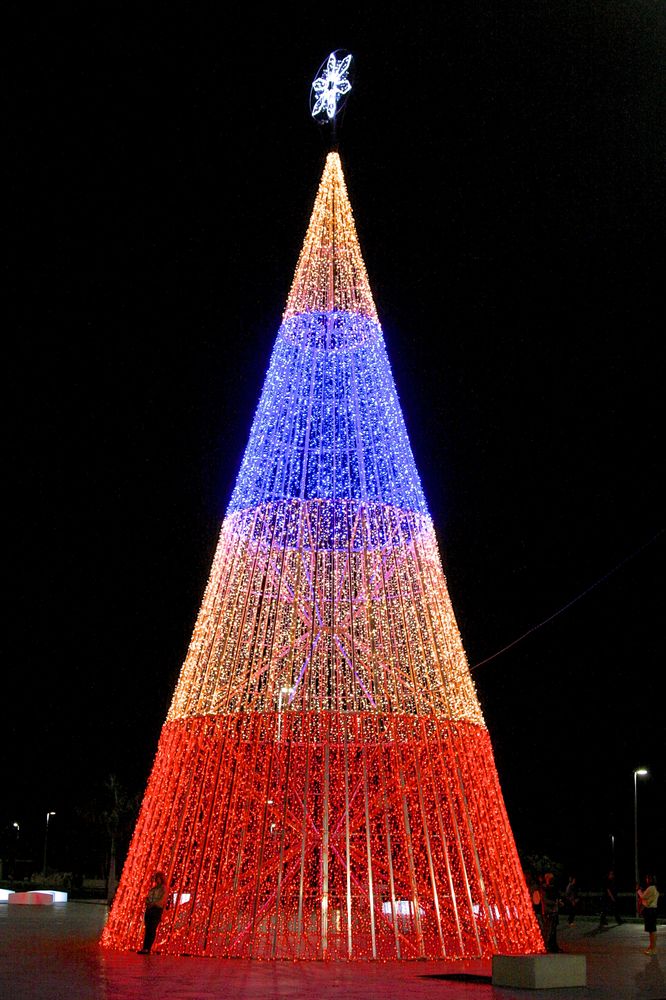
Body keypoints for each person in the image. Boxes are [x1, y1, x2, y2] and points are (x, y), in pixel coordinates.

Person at [138, 871, 167, 954]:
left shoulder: (163, 888)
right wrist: (148, 903)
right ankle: (145, 948)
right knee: (148, 929)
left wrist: (153, 903)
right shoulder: (153, 888)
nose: (155, 879)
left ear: (161, 878)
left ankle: (148, 948)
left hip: (156, 910)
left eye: (157, 877)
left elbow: (162, 900)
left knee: (152, 928)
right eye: (155, 878)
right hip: (149, 909)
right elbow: (148, 898)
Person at [637, 874, 659, 955]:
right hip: (653, 910)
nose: (646, 880)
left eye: (647, 878)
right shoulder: (655, 888)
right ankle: (652, 946)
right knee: (653, 930)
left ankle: (653, 949)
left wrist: (638, 891)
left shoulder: (651, 888)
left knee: (651, 930)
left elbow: (643, 897)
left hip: (650, 910)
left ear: (650, 879)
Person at [542, 872, 562, 953]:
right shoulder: (545, 889)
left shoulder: (551, 888)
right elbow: (545, 900)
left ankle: (553, 946)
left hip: (554, 911)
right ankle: (549, 945)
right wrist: (555, 903)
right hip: (549, 911)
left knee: (553, 929)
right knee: (549, 929)